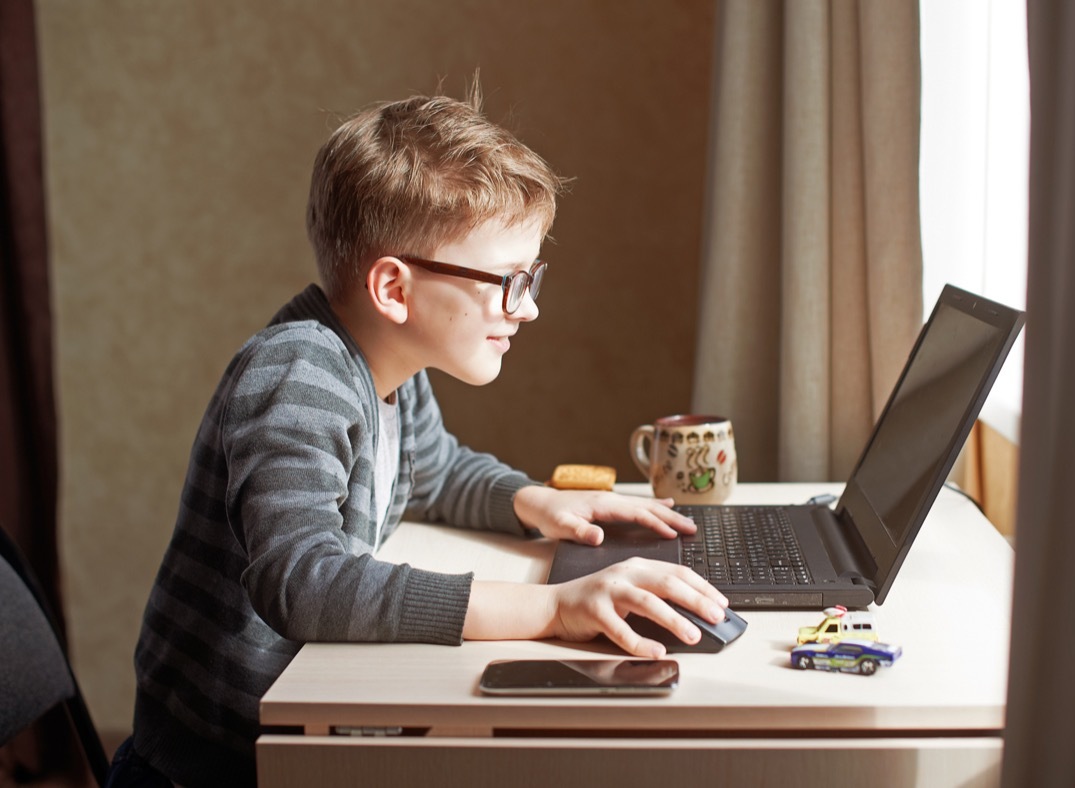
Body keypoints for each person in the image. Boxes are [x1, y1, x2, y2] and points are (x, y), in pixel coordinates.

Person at [108, 81, 729, 787]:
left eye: (531, 279)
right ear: (394, 290)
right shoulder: (298, 376)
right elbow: (304, 582)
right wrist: (552, 608)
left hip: (296, 724)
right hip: (217, 762)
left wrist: (537, 503)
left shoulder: (390, 371)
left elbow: (434, 472)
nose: (524, 310)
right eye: (506, 281)